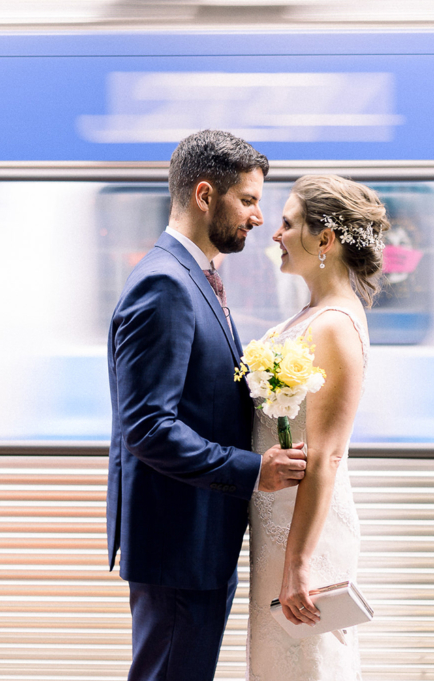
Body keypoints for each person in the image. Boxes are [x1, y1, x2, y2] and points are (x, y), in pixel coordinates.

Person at [106, 129, 309, 681]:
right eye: (247, 200)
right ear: (204, 195)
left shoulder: (195, 276)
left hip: (194, 542)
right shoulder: (166, 285)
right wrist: (254, 470)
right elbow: (148, 427)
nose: (258, 218)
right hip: (179, 547)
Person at [245, 175, 389, 681]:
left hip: (306, 533)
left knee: (308, 664)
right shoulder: (311, 316)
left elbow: (326, 455)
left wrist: (300, 562)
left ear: (324, 240)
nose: (275, 233)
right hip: (281, 524)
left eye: (287, 223)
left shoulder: (334, 325)